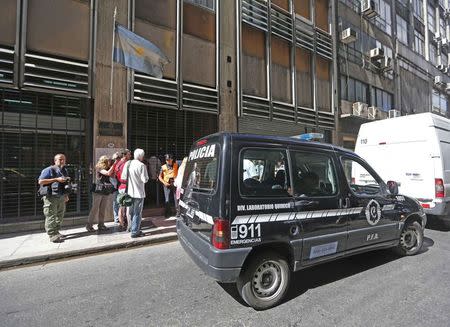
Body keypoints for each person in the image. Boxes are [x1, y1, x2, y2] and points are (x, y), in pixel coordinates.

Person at [37, 154, 70, 243]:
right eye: (60, 159)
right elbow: (40, 181)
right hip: (50, 196)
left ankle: (56, 231)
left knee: (60, 215)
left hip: (61, 196)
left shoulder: (64, 170)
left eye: (64, 159)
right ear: (55, 161)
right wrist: (56, 179)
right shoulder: (48, 170)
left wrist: (66, 195)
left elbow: (64, 183)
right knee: (51, 215)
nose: (62, 161)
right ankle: (52, 235)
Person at [121, 148, 149, 238]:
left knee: (131, 212)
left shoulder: (128, 164)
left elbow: (123, 177)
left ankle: (131, 227)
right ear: (141, 156)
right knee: (137, 213)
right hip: (139, 193)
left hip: (129, 193)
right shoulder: (142, 166)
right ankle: (135, 231)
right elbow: (144, 179)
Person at [86, 155, 115, 232]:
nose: (109, 162)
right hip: (98, 190)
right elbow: (108, 173)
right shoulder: (100, 168)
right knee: (95, 208)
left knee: (103, 208)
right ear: (104, 161)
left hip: (105, 190)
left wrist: (113, 166)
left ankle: (101, 224)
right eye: (107, 161)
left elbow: (112, 175)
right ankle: (89, 225)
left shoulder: (108, 167)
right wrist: (114, 165)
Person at [115, 149, 132, 230]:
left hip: (120, 186)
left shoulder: (118, 163)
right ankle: (129, 225)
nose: (130, 156)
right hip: (126, 186)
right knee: (128, 206)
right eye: (129, 154)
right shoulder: (126, 164)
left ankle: (121, 224)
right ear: (125, 155)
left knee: (121, 206)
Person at [110, 151, 122, 224]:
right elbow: (111, 175)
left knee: (121, 202)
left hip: (121, 186)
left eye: (117, 158)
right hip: (115, 187)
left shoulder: (121, 165)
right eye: (114, 158)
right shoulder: (112, 165)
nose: (116, 160)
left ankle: (121, 217)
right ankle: (116, 218)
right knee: (115, 202)